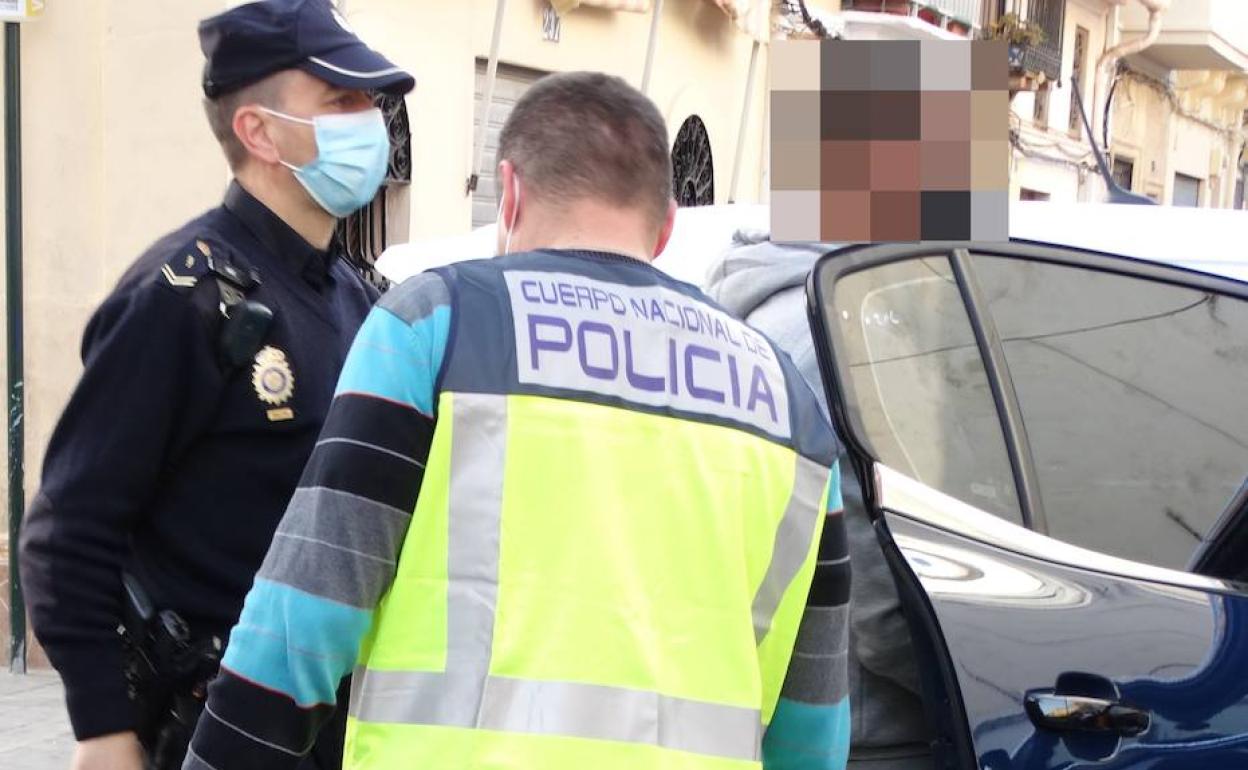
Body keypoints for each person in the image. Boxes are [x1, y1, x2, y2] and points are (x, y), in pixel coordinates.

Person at [183, 71, 852, 770]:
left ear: (509, 192)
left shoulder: (436, 325)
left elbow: (301, 624)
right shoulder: (786, 401)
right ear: (666, 227)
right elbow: (813, 723)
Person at [18, 2, 414, 769]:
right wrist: (103, 730)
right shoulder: (182, 297)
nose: (368, 121)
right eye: (339, 101)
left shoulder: (358, 300)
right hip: (213, 729)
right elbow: (68, 531)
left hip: (333, 726)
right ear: (259, 132)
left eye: (369, 102)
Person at [706, 232, 933, 770]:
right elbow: (881, 611)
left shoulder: (731, 321)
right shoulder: (858, 333)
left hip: (743, 715)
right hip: (864, 737)